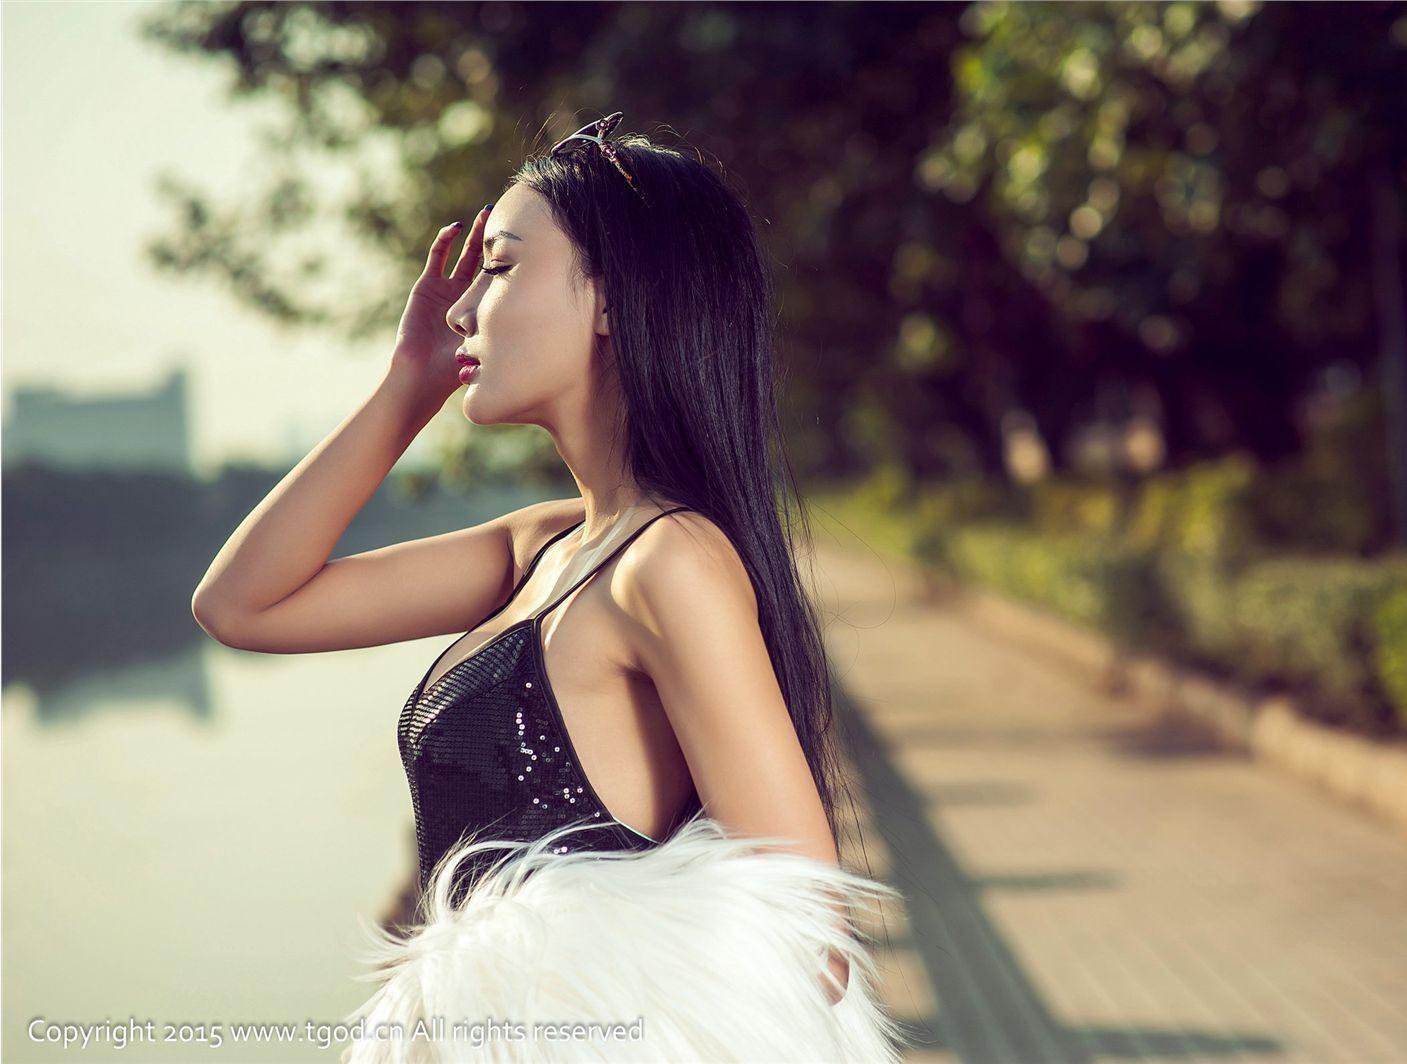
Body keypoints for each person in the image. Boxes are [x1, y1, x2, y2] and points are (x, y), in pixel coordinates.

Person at [191, 112, 909, 1062]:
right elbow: (243, 605)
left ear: (611, 300)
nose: (460, 310)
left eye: (500, 265)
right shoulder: (542, 547)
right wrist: (409, 387)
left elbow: (807, 937)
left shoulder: (670, 562)